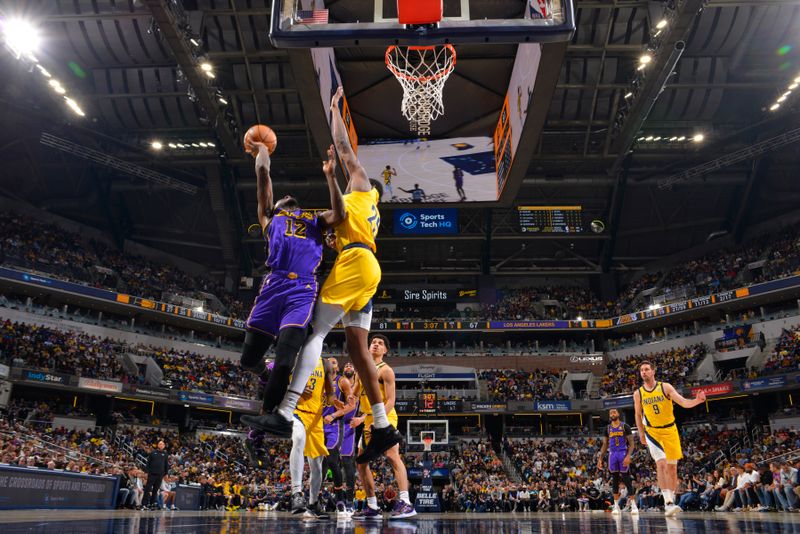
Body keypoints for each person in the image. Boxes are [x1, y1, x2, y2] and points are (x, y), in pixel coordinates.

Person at [245, 87, 403, 466]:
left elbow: (344, 148)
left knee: (313, 333)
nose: (351, 178)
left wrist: (335, 110)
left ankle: (283, 411)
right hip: (368, 268)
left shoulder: (363, 190)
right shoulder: (356, 212)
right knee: (356, 349)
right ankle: (382, 427)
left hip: (355, 263)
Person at [239, 140, 344, 432]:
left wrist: (331, 176)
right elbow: (263, 175)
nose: (286, 196)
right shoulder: (270, 216)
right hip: (273, 286)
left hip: (302, 291)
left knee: (285, 359)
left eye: (288, 196)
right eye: (281, 196)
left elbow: (341, 214)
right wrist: (261, 148)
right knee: (248, 360)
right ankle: (262, 374)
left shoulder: (315, 220)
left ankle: (267, 415)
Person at [350, 335, 416, 520]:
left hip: (385, 417)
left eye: (380, 344)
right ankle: (372, 506)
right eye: (373, 342)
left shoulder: (386, 371)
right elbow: (354, 396)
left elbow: (390, 401)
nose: (376, 345)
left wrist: (377, 420)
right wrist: (346, 403)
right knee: (361, 463)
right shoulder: (360, 370)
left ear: (385, 350)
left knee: (392, 455)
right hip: (368, 419)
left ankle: (406, 503)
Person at [633, 360, 706, 517]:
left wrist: (697, 401)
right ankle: (668, 502)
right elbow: (638, 415)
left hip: (670, 430)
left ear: (653, 371)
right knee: (661, 464)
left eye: (646, 369)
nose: (643, 372)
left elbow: (682, 402)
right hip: (652, 432)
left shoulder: (665, 387)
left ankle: (671, 501)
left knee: (672, 469)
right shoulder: (638, 393)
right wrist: (641, 433)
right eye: (641, 370)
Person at [289, 357, 339, 520]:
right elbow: (279, 379)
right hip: (298, 411)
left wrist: (334, 400)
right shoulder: (296, 356)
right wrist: (295, 389)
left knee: (317, 465)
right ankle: (296, 492)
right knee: (297, 438)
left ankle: (313, 504)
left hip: (316, 418)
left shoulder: (324, 362)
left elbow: (330, 391)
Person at [322, 358, 358, 519]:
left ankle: (348, 501)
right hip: (323, 424)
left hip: (345, 425)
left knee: (345, 462)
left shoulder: (350, 384)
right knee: (322, 462)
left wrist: (362, 419)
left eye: (335, 362)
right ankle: (315, 500)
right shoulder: (324, 381)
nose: (348, 365)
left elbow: (361, 407)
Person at [597, 408, 638, 514]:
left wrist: (629, 456)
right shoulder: (607, 428)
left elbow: (632, 443)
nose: (612, 414)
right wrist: (600, 458)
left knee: (626, 479)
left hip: (623, 453)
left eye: (614, 412)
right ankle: (616, 506)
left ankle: (633, 505)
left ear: (618, 414)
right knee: (614, 479)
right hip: (612, 454)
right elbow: (605, 444)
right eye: (611, 413)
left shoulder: (625, 426)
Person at [142, 440, 169, 510]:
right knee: (147, 489)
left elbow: (166, 465)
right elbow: (148, 463)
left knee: (155, 490)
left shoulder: (165, 454)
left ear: (164, 446)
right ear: (158, 445)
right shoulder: (153, 453)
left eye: (162, 444)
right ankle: (144, 504)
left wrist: (166, 474)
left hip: (160, 475)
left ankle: (152, 504)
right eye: (160, 444)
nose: (161, 445)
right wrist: (146, 472)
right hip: (152, 474)